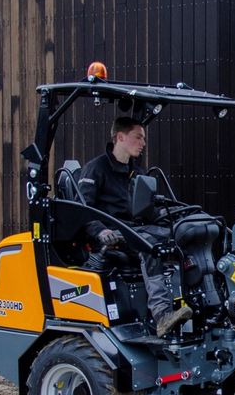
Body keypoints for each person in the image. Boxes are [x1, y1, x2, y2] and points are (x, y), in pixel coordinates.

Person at [78, 116, 192, 337]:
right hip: (110, 236)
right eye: (138, 137)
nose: (143, 143)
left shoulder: (137, 172)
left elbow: (147, 208)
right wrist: (101, 231)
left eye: (143, 138)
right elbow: (83, 210)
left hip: (134, 230)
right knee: (149, 245)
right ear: (120, 137)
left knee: (179, 235)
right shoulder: (96, 169)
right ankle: (162, 316)